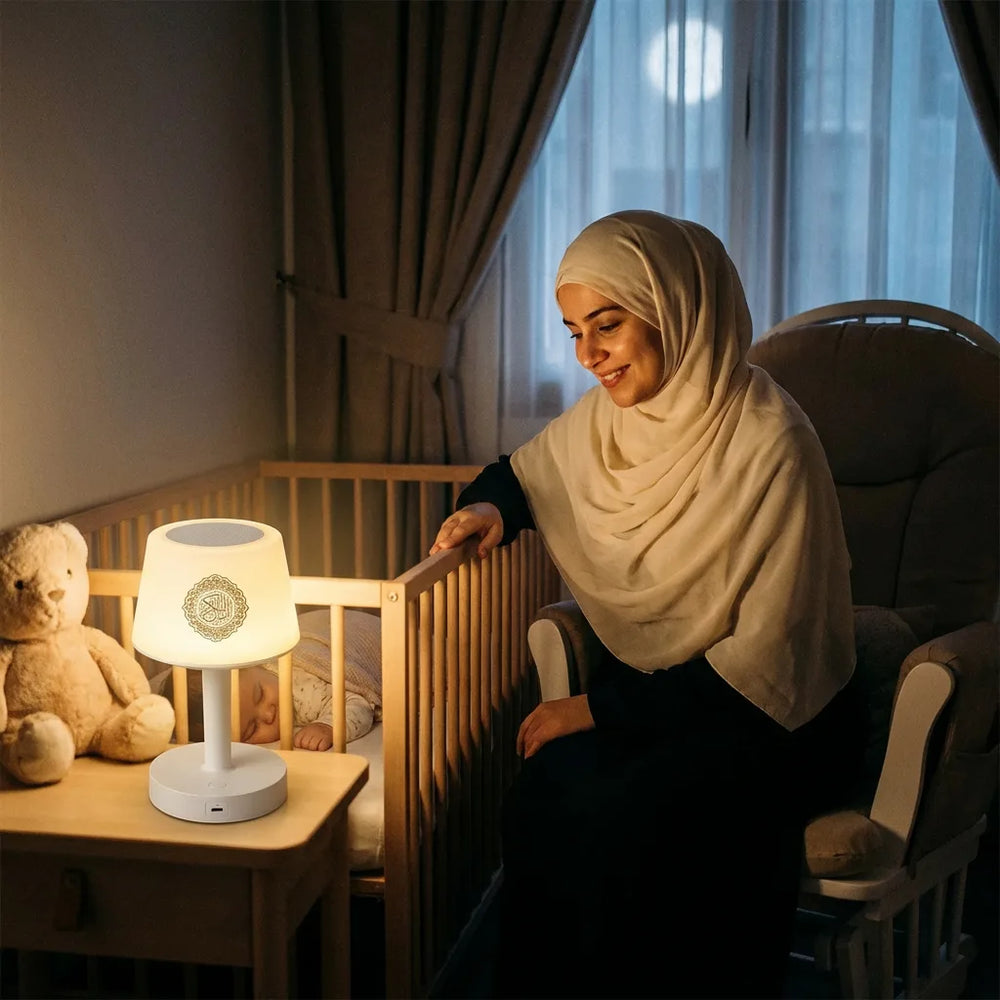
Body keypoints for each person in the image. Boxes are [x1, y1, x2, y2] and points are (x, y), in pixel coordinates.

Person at [430, 211, 866, 999]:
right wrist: (489, 511)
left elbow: (764, 668)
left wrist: (595, 710)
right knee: (544, 786)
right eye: (571, 332)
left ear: (675, 309)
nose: (588, 355)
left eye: (608, 324)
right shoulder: (610, 422)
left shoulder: (772, 443)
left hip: (772, 718)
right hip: (668, 698)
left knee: (632, 810)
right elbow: (523, 475)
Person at [157, 608, 382, 752]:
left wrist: (328, 726)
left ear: (254, 664)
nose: (268, 713)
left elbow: (358, 705)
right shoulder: (258, 680)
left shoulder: (303, 690)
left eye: (260, 694)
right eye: (252, 729)